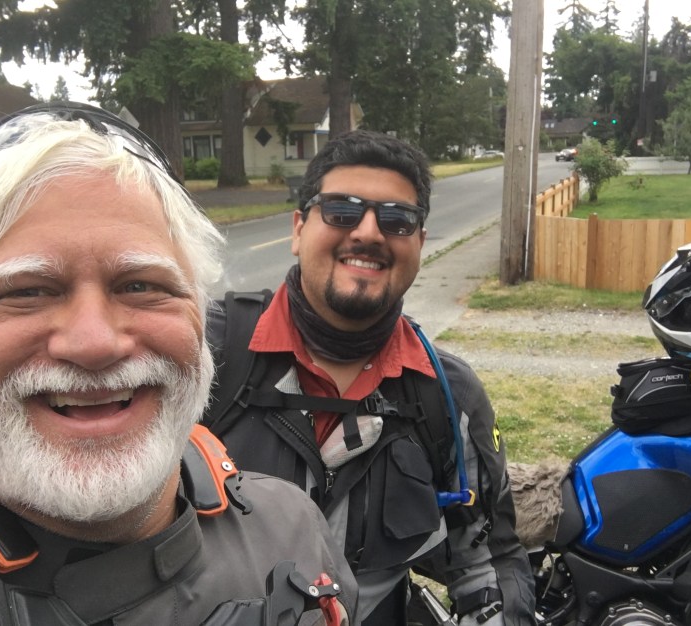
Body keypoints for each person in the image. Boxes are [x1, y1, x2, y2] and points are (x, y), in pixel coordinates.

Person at [0, 102, 357, 626]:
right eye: (27, 291)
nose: (94, 344)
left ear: (199, 318)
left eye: (139, 286)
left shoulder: (292, 528)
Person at [203, 130, 536, 625]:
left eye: (397, 220)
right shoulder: (202, 356)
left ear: (419, 242)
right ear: (298, 229)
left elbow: (486, 560)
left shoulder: (448, 397)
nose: (368, 233)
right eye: (341, 211)